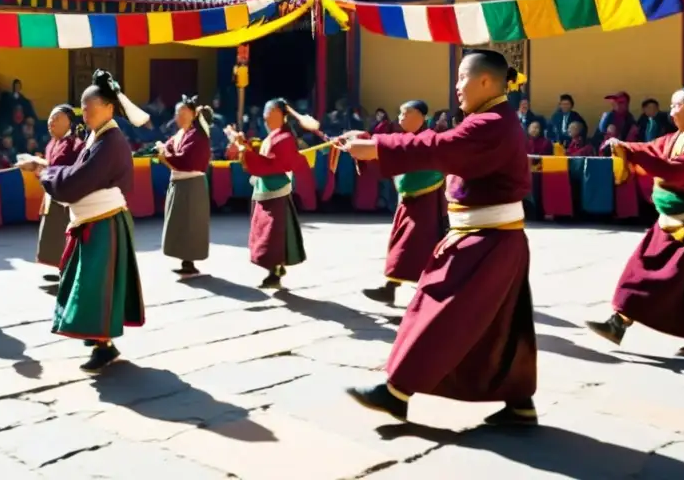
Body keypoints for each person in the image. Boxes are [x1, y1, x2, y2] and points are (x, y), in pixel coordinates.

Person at [336, 50, 537, 427]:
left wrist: (376, 146)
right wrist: (369, 141)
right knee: (503, 324)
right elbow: (441, 144)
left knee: (436, 308)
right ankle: (519, 401)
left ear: (485, 81)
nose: (456, 85)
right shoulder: (491, 119)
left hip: (486, 239)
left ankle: (397, 391)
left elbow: (438, 148)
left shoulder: (491, 122)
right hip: (493, 237)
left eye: (462, 77)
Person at [19, 70, 147, 374]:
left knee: (95, 286)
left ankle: (104, 346)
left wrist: (42, 173)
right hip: (94, 221)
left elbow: (78, 180)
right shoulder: (98, 137)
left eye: (90, 108)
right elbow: (77, 171)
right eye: (83, 108)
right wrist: (44, 166)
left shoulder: (111, 141)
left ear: (109, 108)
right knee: (90, 285)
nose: (85, 114)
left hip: (104, 225)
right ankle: (100, 342)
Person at [586, 85, 684, 357]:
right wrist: (624, 146)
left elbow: (676, 170)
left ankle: (619, 323)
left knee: (650, 274)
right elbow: (652, 148)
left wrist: (635, 155)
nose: (670, 112)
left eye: (676, 106)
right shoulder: (678, 137)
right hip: (673, 221)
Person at [363, 100, 445, 306]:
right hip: (408, 201)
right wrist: (360, 140)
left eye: (405, 113)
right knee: (401, 244)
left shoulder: (430, 139)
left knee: (416, 247)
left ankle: (423, 295)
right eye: (400, 113)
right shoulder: (407, 137)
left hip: (426, 203)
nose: (400, 118)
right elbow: (387, 144)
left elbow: (431, 170)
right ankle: (390, 288)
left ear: (420, 116)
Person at [227, 99, 307, 290]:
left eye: (268, 112)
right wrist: (243, 143)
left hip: (276, 191)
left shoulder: (285, 139)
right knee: (269, 234)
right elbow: (263, 158)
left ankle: (275, 271)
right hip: (265, 190)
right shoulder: (273, 136)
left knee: (273, 236)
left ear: (280, 114)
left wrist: (243, 150)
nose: (265, 117)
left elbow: (271, 164)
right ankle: (276, 270)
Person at [156, 96, 214, 278]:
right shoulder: (180, 134)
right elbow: (170, 149)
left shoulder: (198, 136)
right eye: (177, 114)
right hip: (179, 182)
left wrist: (165, 156)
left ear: (194, 114)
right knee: (180, 223)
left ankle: (190, 262)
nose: (179, 117)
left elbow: (185, 160)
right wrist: (162, 150)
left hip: (192, 184)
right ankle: (185, 261)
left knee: (190, 223)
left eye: (183, 113)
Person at [34, 105, 82, 284]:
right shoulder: (52, 143)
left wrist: (40, 167)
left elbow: (61, 168)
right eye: (50, 118)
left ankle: (68, 271)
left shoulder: (73, 143)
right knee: (53, 234)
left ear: (69, 122)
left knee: (64, 234)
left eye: (57, 118)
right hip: (52, 194)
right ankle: (60, 266)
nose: (51, 122)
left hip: (66, 196)